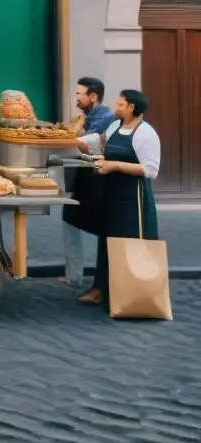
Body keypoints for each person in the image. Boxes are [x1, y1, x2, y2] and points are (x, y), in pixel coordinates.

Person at [77, 89, 160, 306]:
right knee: (106, 241)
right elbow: (105, 147)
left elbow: (150, 170)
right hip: (111, 195)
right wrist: (94, 153)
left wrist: (114, 165)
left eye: (121, 105)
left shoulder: (146, 133)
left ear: (132, 107)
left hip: (134, 200)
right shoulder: (115, 126)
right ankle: (100, 289)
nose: (116, 107)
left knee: (130, 244)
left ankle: (133, 294)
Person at [61, 77, 115, 285]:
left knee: (101, 228)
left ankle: (106, 278)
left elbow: (84, 143)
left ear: (93, 96)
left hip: (97, 180)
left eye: (79, 94)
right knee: (69, 219)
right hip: (83, 177)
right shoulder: (88, 114)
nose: (77, 98)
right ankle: (73, 275)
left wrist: (77, 129)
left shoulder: (105, 117)